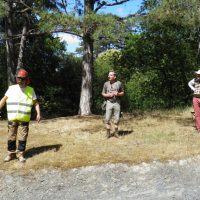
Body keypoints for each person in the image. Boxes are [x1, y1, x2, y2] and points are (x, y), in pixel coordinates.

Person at [0, 68, 41, 162]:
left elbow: (36, 103)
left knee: (22, 138)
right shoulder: (11, 88)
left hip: (24, 119)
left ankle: (20, 155)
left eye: (22, 79)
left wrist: (38, 113)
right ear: (17, 79)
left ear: (26, 79)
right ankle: (10, 154)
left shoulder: (31, 90)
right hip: (12, 118)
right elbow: (3, 100)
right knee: (11, 137)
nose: (20, 81)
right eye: (19, 78)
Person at [102, 70, 124, 138]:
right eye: (109, 75)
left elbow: (123, 93)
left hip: (117, 102)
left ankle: (116, 133)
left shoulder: (119, 83)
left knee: (116, 119)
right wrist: (108, 95)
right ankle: (108, 133)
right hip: (108, 102)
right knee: (107, 119)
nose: (109, 76)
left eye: (111, 75)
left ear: (114, 76)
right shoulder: (106, 84)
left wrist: (117, 93)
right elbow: (103, 93)